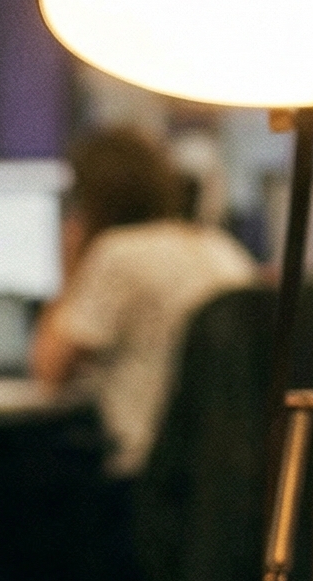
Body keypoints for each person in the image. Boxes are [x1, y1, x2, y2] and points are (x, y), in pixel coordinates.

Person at [29, 127, 257, 481]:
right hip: (227, 474)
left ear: (91, 200)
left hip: (150, 473)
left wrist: (71, 269)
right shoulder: (220, 246)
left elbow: (50, 371)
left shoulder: (119, 252)